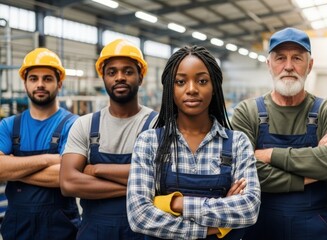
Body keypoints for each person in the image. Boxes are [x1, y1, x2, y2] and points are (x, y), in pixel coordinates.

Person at [126, 45, 261, 240]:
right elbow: (139, 216)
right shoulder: (149, 142)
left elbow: (248, 209)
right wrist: (210, 228)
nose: (191, 89)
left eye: (202, 81)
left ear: (214, 87)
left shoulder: (238, 143)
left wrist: (175, 204)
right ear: (170, 89)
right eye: (180, 82)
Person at [230, 27, 327, 240]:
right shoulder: (247, 112)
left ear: (310, 65)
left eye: (297, 58)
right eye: (280, 58)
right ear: (269, 64)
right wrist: (315, 167)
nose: (288, 66)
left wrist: (269, 155)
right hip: (261, 225)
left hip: (315, 227)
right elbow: (243, 173)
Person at [59, 39, 157, 240]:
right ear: (103, 78)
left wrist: (95, 170)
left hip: (144, 233)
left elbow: (164, 179)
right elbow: (68, 183)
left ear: (140, 77)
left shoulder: (159, 124)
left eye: (128, 71)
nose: (120, 77)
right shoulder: (85, 125)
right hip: (94, 232)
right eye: (112, 72)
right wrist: (139, 186)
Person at [0, 48, 80, 240]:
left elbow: (65, 177)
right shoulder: (9, 125)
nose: (40, 84)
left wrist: (15, 167)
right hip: (18, 227)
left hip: (61, 228)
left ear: (59, 83)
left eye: (47, 79)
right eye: (34, 78)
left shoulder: (74, 124)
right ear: (25, 83)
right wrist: (49, 159)